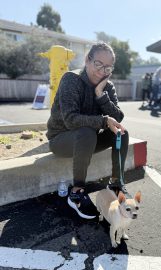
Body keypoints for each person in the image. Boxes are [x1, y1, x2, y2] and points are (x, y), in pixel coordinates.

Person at [46, 42, 129, 219]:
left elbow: (118, 118)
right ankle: (76, 193)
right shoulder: (71, 79)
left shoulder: (108, 86)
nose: (101, 71)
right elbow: (70, 120)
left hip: (87, 141)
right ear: (87, 60)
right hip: (61, 140)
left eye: (107, 67)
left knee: (121, 132)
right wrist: (103, 120)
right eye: (98, 64)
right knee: (86, 131)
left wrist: (101, 95)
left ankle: (116, 183)